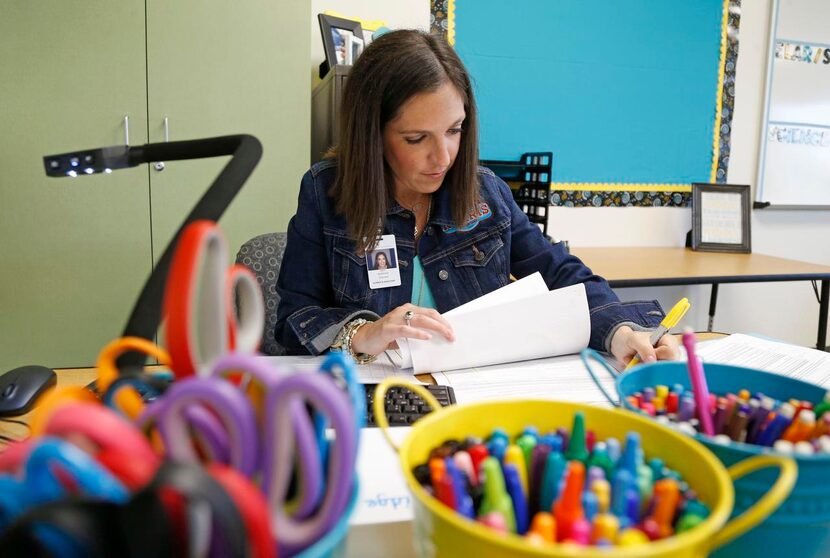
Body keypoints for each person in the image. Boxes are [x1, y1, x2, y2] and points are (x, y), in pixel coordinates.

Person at [275, 29, 679, 365]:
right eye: (417, 139)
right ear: (372, 135)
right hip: (376, 391)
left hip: (478, 390)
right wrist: (363, 332)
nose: (444, 157)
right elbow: (295, 318)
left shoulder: (488, 194)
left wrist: (620, 330)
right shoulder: (324, 192)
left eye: (455, 130)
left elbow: (561, 274)